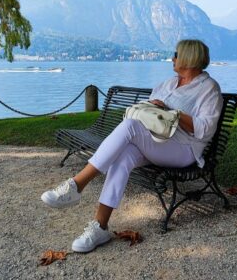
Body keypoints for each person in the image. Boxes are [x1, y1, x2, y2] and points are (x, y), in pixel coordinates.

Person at [40, 39, 223, 253]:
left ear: (189, 57)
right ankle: (100, 227)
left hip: (183, 148)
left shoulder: (208, 89)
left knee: (129, 127)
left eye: (176, 54)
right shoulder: (168, 84)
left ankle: (77, 185)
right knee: (123, 154)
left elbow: (205, 129)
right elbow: (151, 114)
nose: (172, 58)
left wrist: (173, 113)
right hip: (155, 141)